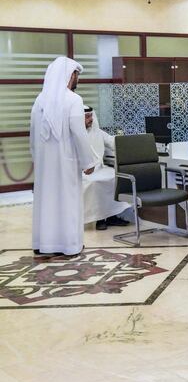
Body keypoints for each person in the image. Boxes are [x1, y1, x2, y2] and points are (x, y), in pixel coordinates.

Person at [30, 57, 96, 256]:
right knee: (67, 202)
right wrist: (88, 162)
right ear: (70, 75)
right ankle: (69, 245)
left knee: (46, 203)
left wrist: (37, 159)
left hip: (45, 164)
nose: (78, 79)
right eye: (77, 74)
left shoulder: (39, 100)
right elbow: (78, 133)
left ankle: (44, 243)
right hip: (66, 162)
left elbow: (32, 133)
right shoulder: (73, 100)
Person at [82, 106, 130, 230]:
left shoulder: (97, 132)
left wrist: (128, 141)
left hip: (100, 168)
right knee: (95, 182)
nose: (90, 119)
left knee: (116, 177)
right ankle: (99, 219)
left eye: (91, 116)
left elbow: (111, 141)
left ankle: (111, 216)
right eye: (87, 117)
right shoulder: (73, 135)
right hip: (82, 171)